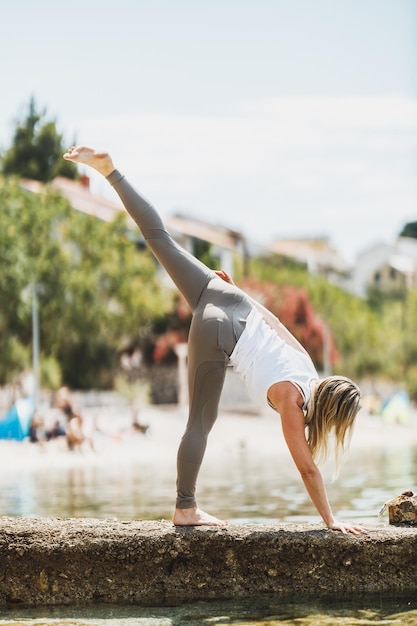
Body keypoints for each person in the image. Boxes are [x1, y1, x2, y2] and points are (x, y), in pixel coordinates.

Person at [63, 145, 366, 535]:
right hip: (220, 332)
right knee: (199, 424)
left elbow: (270, 319)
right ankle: (185, 507)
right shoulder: (294, 401)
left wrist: (237, 289)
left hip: (229, 298)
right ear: (332, 415)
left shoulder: (306, 364)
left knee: (159, 239)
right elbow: (307, 467)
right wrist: (330, 520)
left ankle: (111, 172)